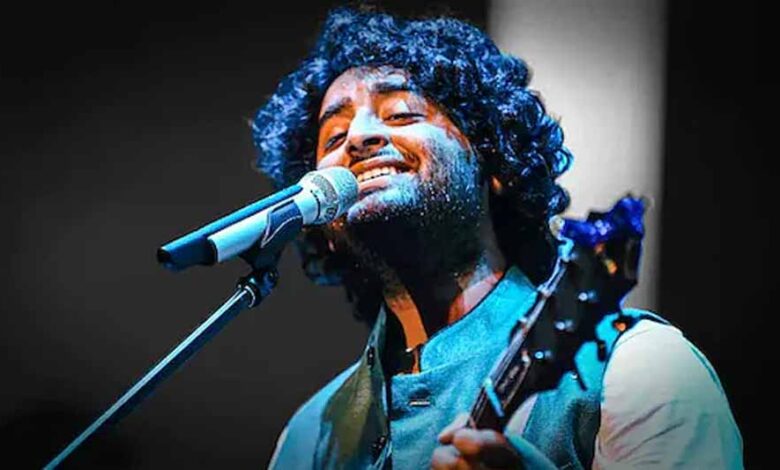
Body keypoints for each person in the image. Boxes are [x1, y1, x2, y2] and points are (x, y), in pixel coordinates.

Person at [251, 7, 743, 469]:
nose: (358, 137)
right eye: (334, 138)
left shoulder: (640, 368)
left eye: (400, 112)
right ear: (325, 225)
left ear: (496, 164)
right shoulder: (307, 437)